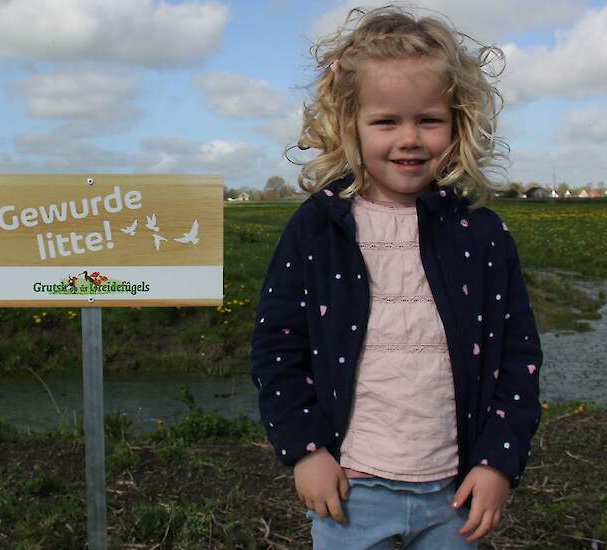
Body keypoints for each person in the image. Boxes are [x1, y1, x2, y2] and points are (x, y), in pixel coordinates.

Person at [250, 6, 542, 549]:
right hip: (351, 493)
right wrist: (306, 450)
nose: (409, 138)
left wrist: (499, 462)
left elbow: (518, 359)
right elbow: (276, 349)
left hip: (455, 495)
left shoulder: (482, 234)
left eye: (428, 120)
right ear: (350, 126)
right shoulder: (316, 229)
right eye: (386, 122)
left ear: (458, 123)